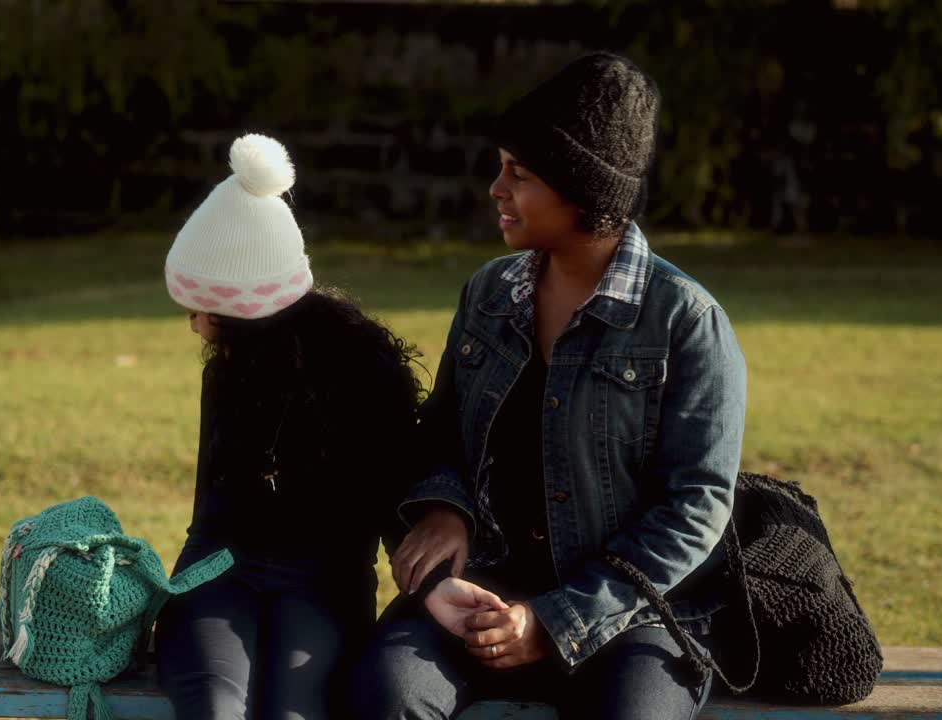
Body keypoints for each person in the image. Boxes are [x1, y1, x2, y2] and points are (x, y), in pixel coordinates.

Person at [347, 52, 748, 720]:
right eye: (502, 168)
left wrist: (556, 620)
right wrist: (446, 510)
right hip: (487, 590)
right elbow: (441, 435)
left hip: (634, 615)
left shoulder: (686, 320)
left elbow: (695, 507)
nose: (495, 190)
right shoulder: (489, 294)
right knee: (385, 697)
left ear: (583, 193)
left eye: (520, 175)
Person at [154, 134, 421, 720]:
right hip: (222, 566)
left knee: (292, 711)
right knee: (215, 705)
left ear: (245, 315)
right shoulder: (227, 374)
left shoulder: (366, 376)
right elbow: (208, 514)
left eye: (201, 311)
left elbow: (390, 510)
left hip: (323, 579)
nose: (194, 327)